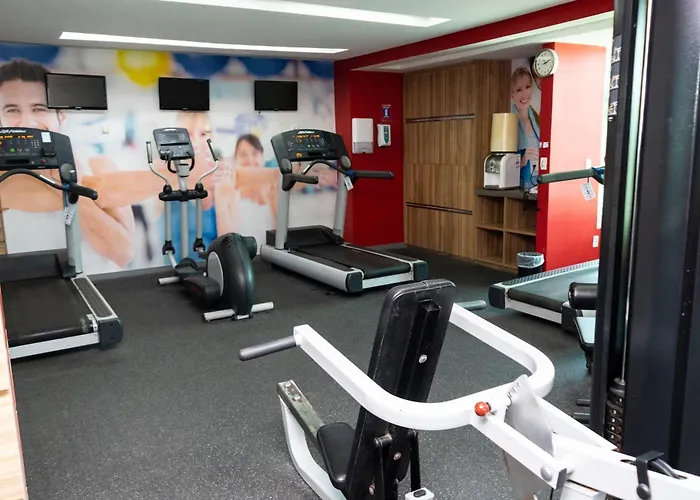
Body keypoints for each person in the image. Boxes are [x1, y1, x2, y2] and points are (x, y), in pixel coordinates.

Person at [0, 58, 135, 271]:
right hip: (26, 285)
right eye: (12, 110)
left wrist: (67, 188)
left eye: (38, 109)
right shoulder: (4, 179)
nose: (27, 122)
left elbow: (123, 254)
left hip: (97, 284)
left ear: (61, 115)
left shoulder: (98, 166)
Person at [214, 134, 278, 248]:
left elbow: (280, 236)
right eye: (243, 155)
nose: (250, 160)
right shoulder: (230, 193)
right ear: (236, 159)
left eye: (255, 153)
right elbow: (225, 241)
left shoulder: (273, 191)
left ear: (262, 157)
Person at [511, 67, 540, 191]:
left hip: (539, 183)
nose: (524, 94)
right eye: (519, 90)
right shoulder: (509, 122)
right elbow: (504, 167)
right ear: (512, 95)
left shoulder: (537, 118)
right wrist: (523, 160)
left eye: (527, 87)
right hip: (519, 187)